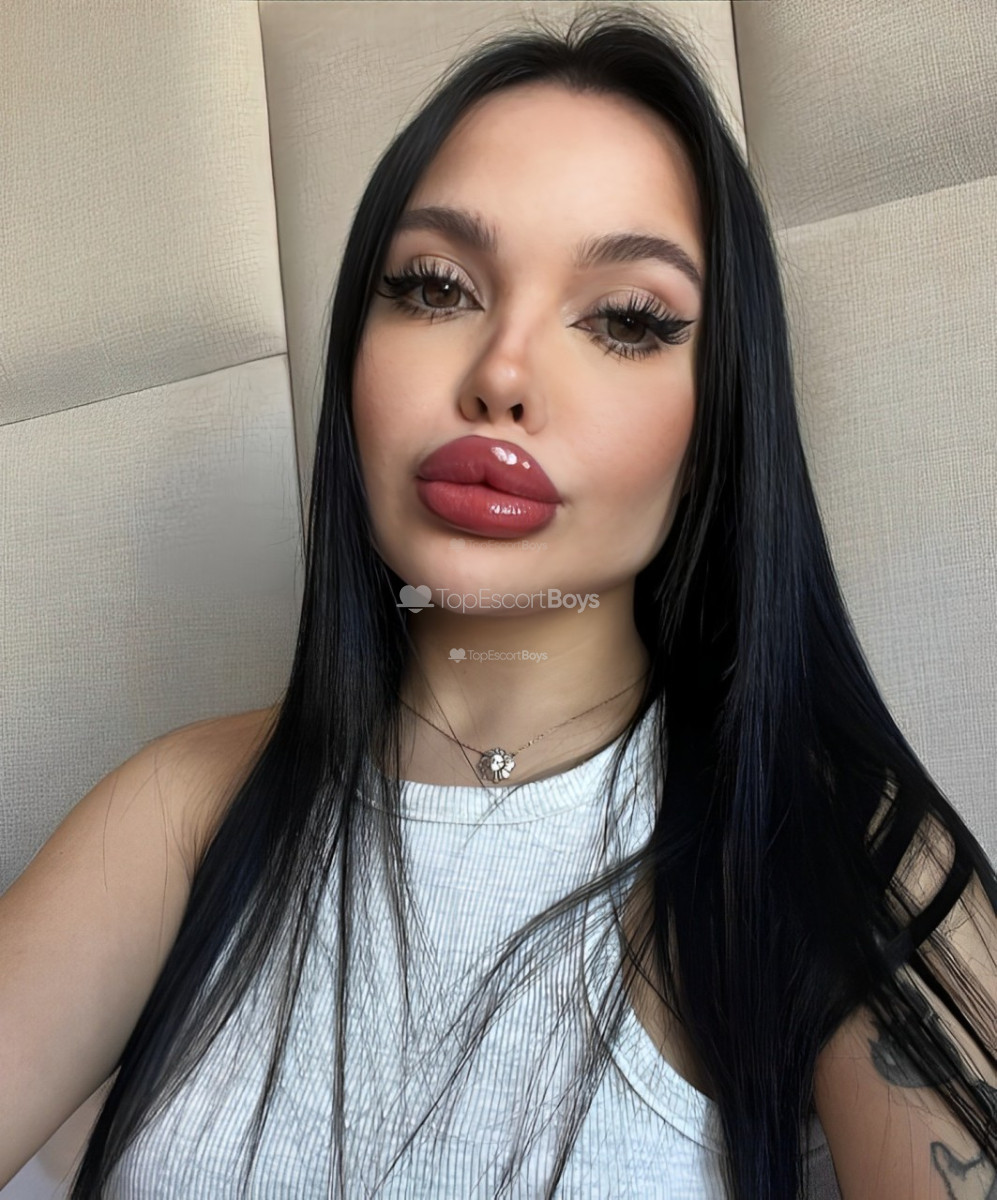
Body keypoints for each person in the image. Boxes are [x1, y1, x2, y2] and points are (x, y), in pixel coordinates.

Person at [2, 5, 995, 1198]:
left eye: (626, 319)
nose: (502, 373)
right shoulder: (181, 814)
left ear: (718, 421)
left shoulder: (832, 843)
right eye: (434, 288)